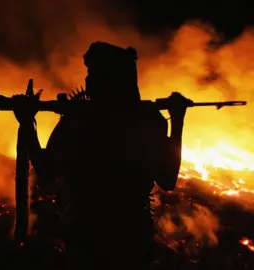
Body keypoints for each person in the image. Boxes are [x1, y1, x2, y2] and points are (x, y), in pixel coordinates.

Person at [12, 42, 190, 269]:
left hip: (87, 233)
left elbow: (46, 169)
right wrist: (177, 120)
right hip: (132, 235)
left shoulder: (78, 121)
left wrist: (27, 123)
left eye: (93, 73)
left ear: (108, 80)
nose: (87, 80)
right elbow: (168, 180)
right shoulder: (149, 120)